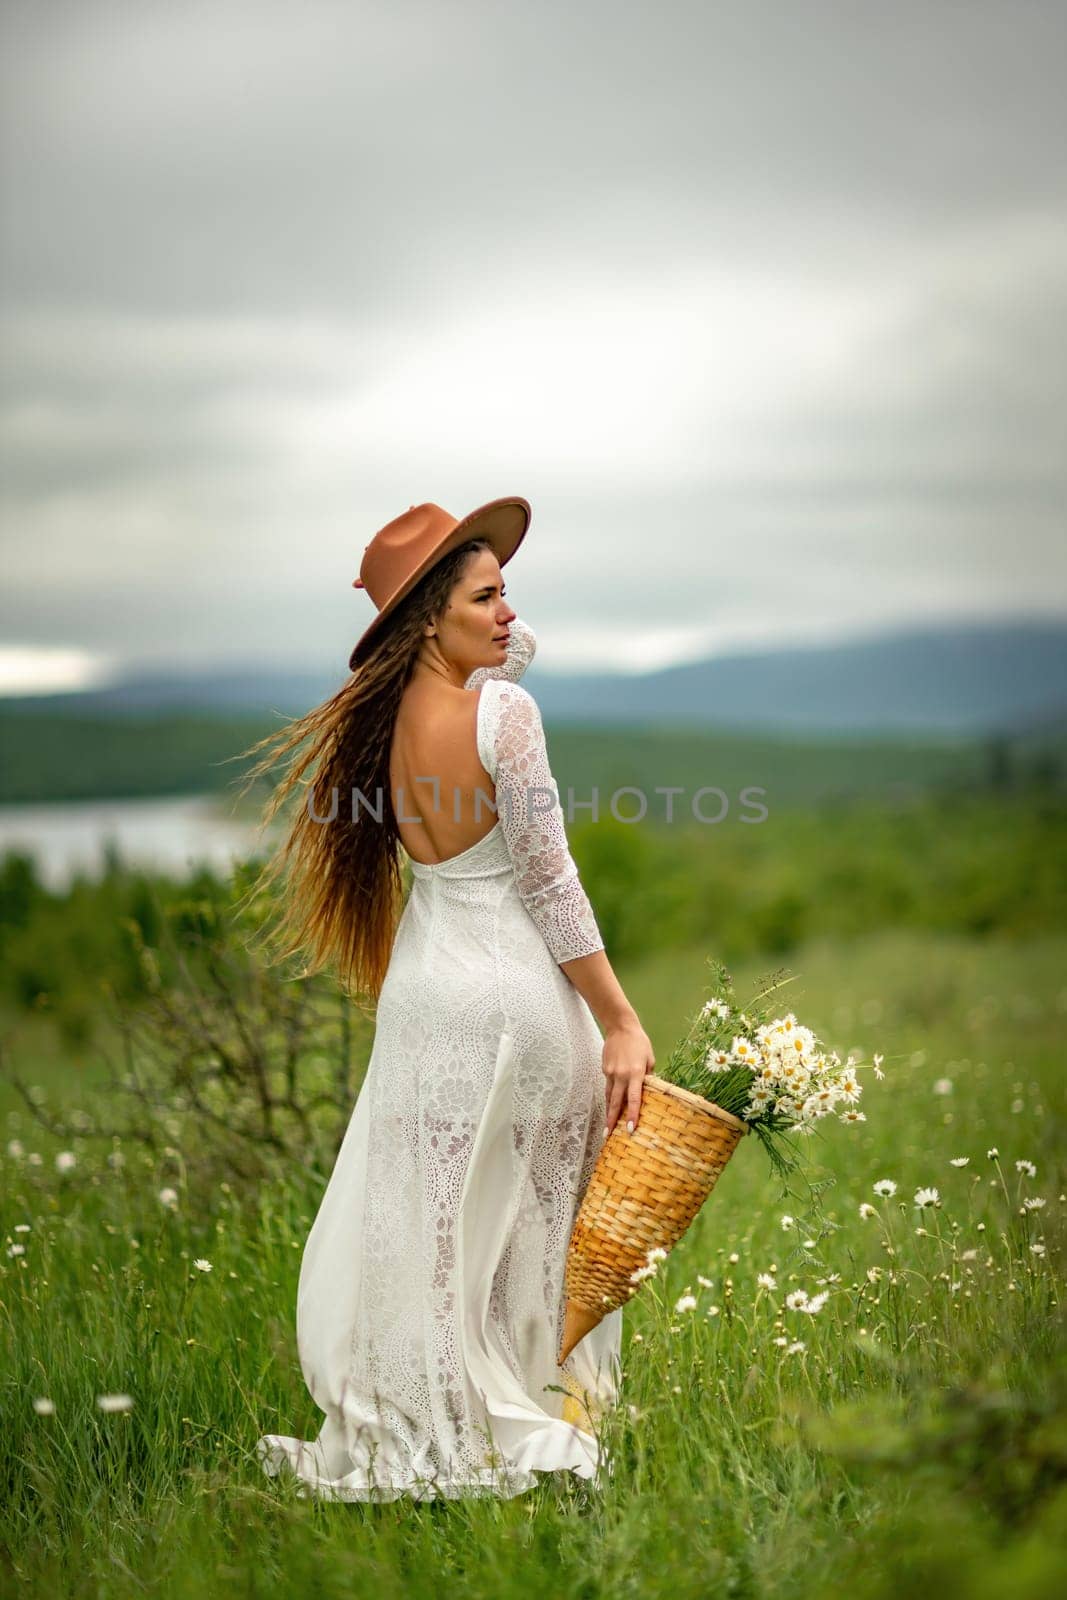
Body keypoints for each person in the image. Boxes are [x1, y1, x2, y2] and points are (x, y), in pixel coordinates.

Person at [242, 497, 655, 1502]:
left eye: (507, 591)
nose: (509, 612)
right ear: (427, 617)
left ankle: (445, 1413)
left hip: (428, 996)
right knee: (532, 1224)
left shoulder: (380, 731)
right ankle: (540, 1403)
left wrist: (476, 626)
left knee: (434, 1227)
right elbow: (550, 882)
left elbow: (501, 663)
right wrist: (618, 1018)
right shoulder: (503, 716)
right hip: (513, 992)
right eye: (485, 594)